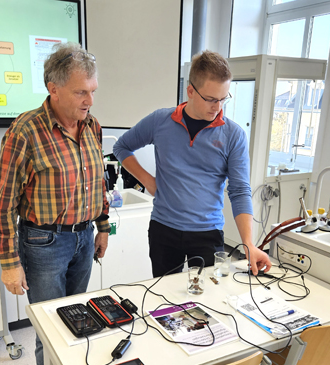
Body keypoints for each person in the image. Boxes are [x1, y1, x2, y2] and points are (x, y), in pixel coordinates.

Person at [0, 42, 110, 365]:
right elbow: (3, 206)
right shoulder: (25, 131)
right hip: (43, 243)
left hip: (84, 238)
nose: (89, 100)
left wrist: (103, 227)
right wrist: (9, 262)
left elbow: (98, 182)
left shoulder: (91, 126)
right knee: (49, 334)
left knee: (79, 323)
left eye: (93, 91)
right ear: (53, 88)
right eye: (81, 92)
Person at [113, 50, 270, 277]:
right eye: (211, 99)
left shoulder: (233, 135)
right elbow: (121, 147)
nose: (218, 107)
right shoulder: (160, 121)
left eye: (223, 99)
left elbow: (240, 191)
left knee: (209, 294)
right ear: (190, 91)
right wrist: (148, 181)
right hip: (164, 229)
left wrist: (249, 244)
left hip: (208, 233)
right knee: (164, 294)